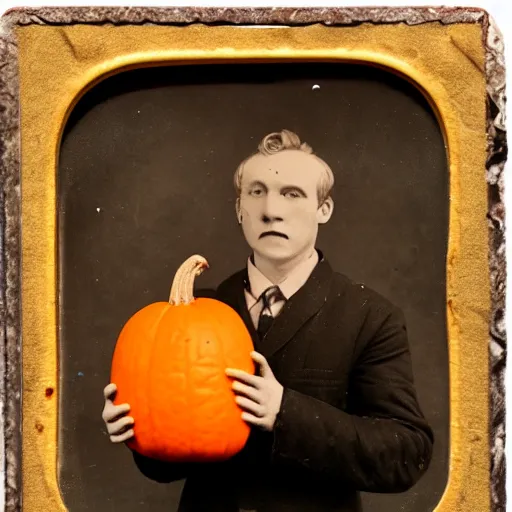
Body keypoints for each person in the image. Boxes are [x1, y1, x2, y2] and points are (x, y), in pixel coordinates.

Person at [102, 129, 434, 511]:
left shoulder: (370, 316)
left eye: (292, 194)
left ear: (323, 209)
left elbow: (406, 453)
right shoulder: (195, 310)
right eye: (257, 192)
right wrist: (137, 432)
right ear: (239, 207)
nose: (271, 210)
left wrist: (284, 412)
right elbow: (168, 460)